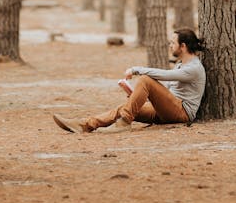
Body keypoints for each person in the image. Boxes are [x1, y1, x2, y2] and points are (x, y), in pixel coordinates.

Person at [52, 28, 206, 134]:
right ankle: (84, 125)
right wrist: (136, 95)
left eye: (173, 42)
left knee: (145, 79)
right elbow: (166, 89)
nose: (170, 45)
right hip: (167, 109)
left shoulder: (194, 68)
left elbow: (164, 75)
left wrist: (136, 70)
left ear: (183, 46)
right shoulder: (180, 64)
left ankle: (125, 122)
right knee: (125, 106)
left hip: (182, 112)